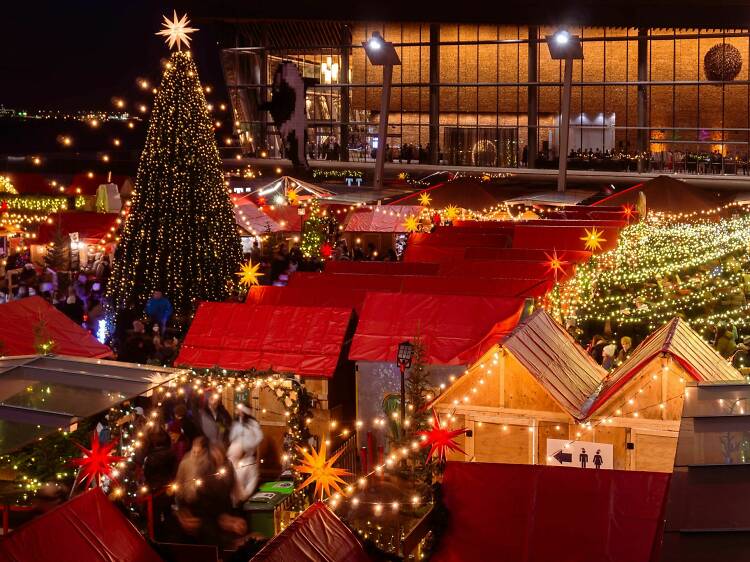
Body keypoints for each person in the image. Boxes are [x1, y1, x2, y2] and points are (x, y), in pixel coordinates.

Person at [143, 430, 178, 537]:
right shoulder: (172, 454)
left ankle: (157, 537)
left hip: (154, 491)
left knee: (155, 517)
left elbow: (147, 474)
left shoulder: (149, 458)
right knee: (168, 514)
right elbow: (174, 471)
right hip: (168, 488)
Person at [228, 404, 264, 505]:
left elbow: (258, 439)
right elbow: (232, 437)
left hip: (248, 455)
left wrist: (250, 447)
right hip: (235, 454)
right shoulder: (236, 423)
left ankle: (243, 497)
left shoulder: (252, 424)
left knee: (246, 476)